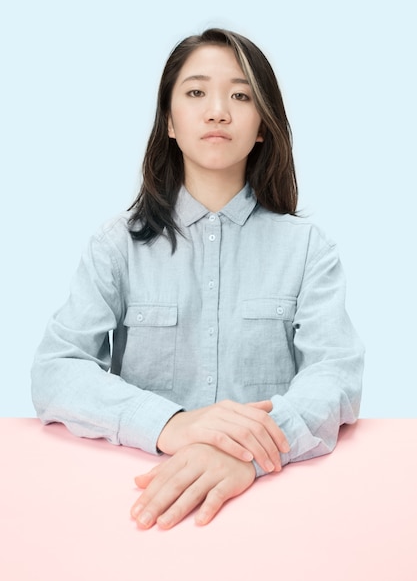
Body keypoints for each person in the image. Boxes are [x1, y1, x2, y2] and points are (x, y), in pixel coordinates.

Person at [31, 28, 364, 530]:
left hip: (279, 513)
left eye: (240, 94)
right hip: (131, 506)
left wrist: (246, 453)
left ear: (261, 127)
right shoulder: (115, 246)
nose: (217, 111)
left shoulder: (308, 248)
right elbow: (56, 371)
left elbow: (335, 377)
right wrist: (173, 424)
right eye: (195, 92)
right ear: (169, 120)